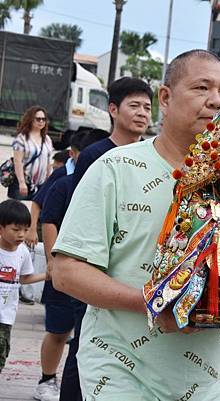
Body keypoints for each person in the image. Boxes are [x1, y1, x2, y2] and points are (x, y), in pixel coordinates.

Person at [52, 50, 220, 400]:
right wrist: (153, 304)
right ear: (165, 97)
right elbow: (66, 271)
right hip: (120, 372)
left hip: (207, 381)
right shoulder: (116, 168)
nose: (215, 100)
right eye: (201, 87)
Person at [56, 77, 153, 401]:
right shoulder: (97, 155)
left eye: (147, 107)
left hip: (133, 278)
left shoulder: (155, 158)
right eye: (134, 106)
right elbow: (82, 216)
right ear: (113, 109)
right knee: (85, 345)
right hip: (95, 268)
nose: (142, 114)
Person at [32, 132, 87, 401]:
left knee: (84, 336)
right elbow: (48, 219)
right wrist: (53, 262)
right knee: (58, 329)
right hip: (65, 270)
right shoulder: (64, 184)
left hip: (92, 274)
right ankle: (47, 379)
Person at [0, 200, 49, 373]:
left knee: (2, 354)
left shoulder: (22, 252)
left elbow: (23, 278)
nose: (21, 235)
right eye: (16, 229)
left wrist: (46, 275)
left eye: (25, 230)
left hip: (6, 316)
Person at [10, 106, 54, 200]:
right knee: (18, 211)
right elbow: (18, 162)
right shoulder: (22, 139)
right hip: (23, 183)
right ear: (31, 120)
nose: (41, 121)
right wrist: (22, 182)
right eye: (38, 119)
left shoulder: (47, 139)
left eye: (44, 119)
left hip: (41, 184)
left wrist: (48, 179)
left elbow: (48, 161)